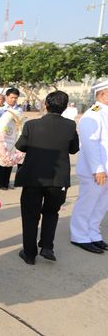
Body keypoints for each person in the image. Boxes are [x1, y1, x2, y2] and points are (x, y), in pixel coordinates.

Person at [14, 91, 79, 264]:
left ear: (46, 105)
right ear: (65, 107)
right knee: (51, 213)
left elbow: (20, 145)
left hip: (34, 177)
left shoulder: (32, 125)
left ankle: (29, 254)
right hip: (58, 179)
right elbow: (74, 149)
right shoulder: (70, 125)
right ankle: (47, 247)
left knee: (30, 216)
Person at [70, 81, 108, 254]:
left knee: (101, 204)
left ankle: (93, 233)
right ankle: (79, 235)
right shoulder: (93, 114)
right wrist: (97, 168)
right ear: (102, 95)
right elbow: (90, 142)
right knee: (87, 203)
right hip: (95, 170)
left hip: (105, 169)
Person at [0, 88, 22, 190]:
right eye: (11, 97)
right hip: (1, 138)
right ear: (6, 97)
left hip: (12, 138)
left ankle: (6, 183)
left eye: (16, 98)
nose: (13, 100)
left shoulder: (18, 110)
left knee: (10, 161)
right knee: (0, 161)